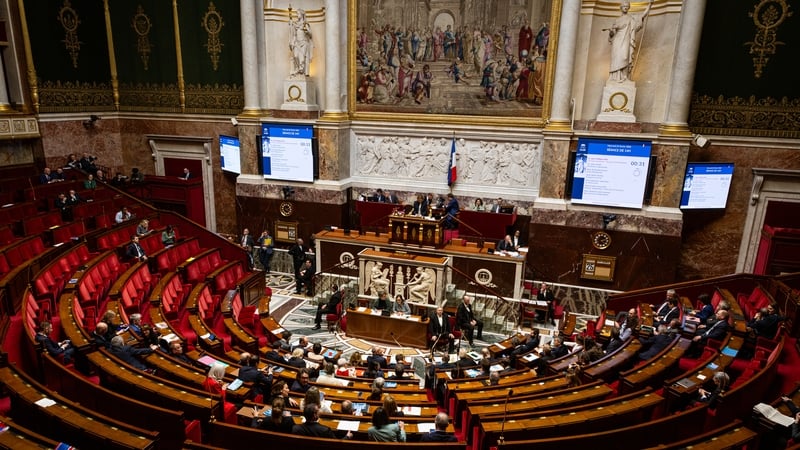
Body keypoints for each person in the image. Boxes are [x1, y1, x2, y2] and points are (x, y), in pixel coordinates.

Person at [606, 0, 653, 82]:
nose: (625, 8)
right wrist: (610, 32)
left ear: (628, 8)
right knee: (616, 59)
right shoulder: (617, 20)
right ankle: (615, 77)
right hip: (617, 42)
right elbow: (612, 34)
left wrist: (649, 4)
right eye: (624, 6)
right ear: (621, 8)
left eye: (627, 7)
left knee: (625, 57)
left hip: (626, 40)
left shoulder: (631, 18)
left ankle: (624, 77)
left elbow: (643, 15)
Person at [288, 9, 313, 77]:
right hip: (297, 43)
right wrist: (292, 42)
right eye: (297, 14)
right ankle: (298, 70)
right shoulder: (296, 24)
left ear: (302, 14)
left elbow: (310, 34)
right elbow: (294, 35)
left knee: (302, 58)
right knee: (296, 56)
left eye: (298, 13)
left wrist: (307, 31)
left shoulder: (305, 24)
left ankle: (301, 72)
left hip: (304, 43)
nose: (297, 15)